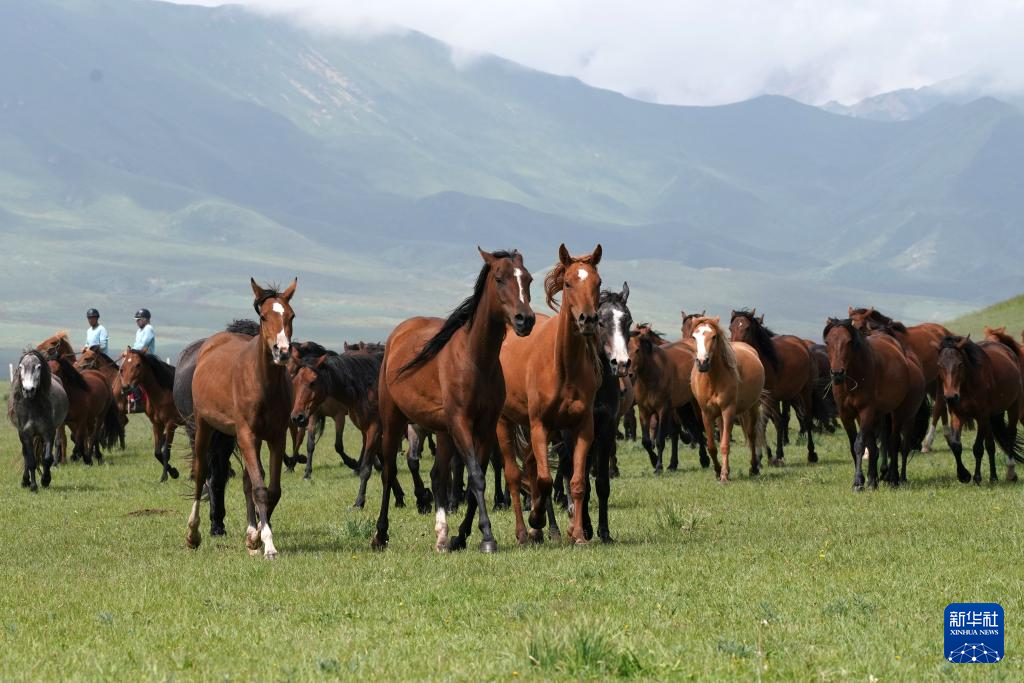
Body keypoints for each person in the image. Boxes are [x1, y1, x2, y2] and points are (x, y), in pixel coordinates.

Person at [129, 308, 156, 413]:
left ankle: (138, 400)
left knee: (134, 375)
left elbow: (143, 345)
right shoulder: (139, 331)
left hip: (148, 359)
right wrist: (129, 352)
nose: (137, 322)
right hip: (138, 357)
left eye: (138, 319)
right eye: (137, 320)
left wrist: (132, 351)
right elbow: (136, 345)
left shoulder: (149, 328)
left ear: (145, 319)